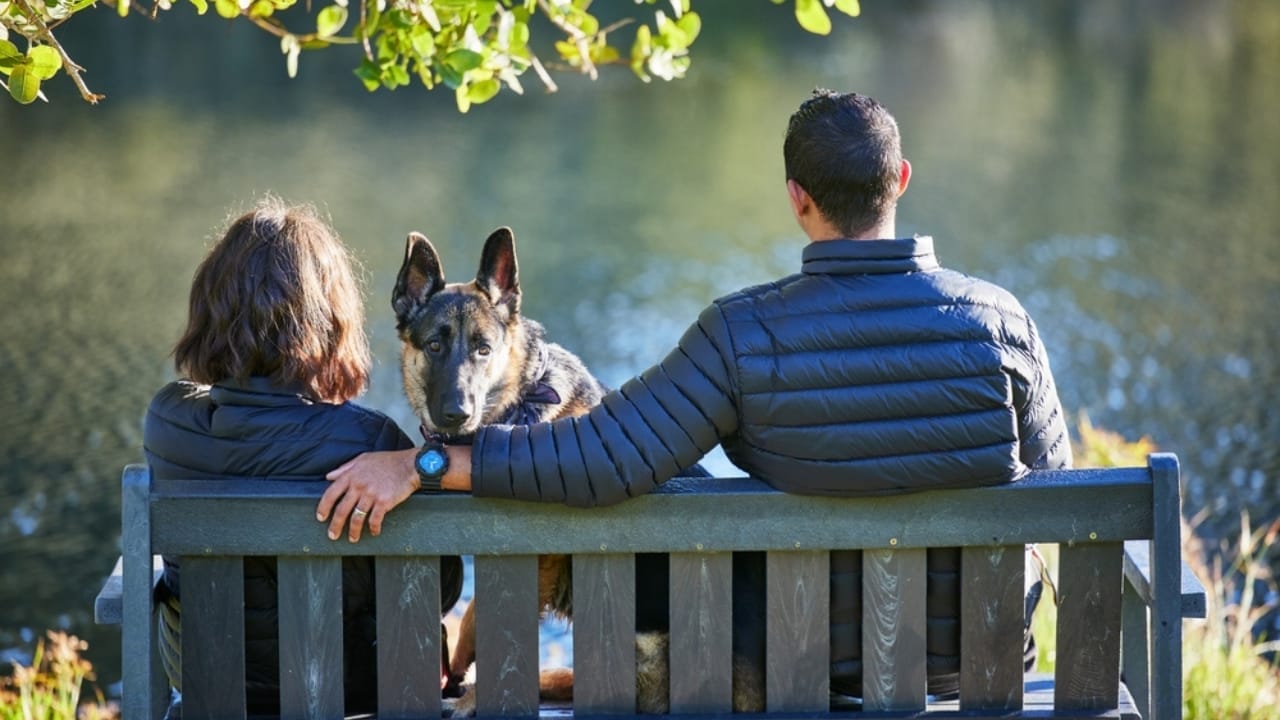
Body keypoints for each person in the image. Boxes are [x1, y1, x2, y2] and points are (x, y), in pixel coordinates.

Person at [319, 90, 1072, 698]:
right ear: (901, 181)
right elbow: (1062, 496)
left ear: (796, 197)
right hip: (981, 672)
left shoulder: (743, 334)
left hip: (800, 668)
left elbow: (604, 458)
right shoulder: (1003, 322)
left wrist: (422, 465)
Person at [143, 196, 463, 716]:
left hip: (216, 695)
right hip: (356, 696)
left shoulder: (168, 422)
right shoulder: (371, 443)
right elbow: (438, 588)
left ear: (210, 309)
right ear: (330, 321)